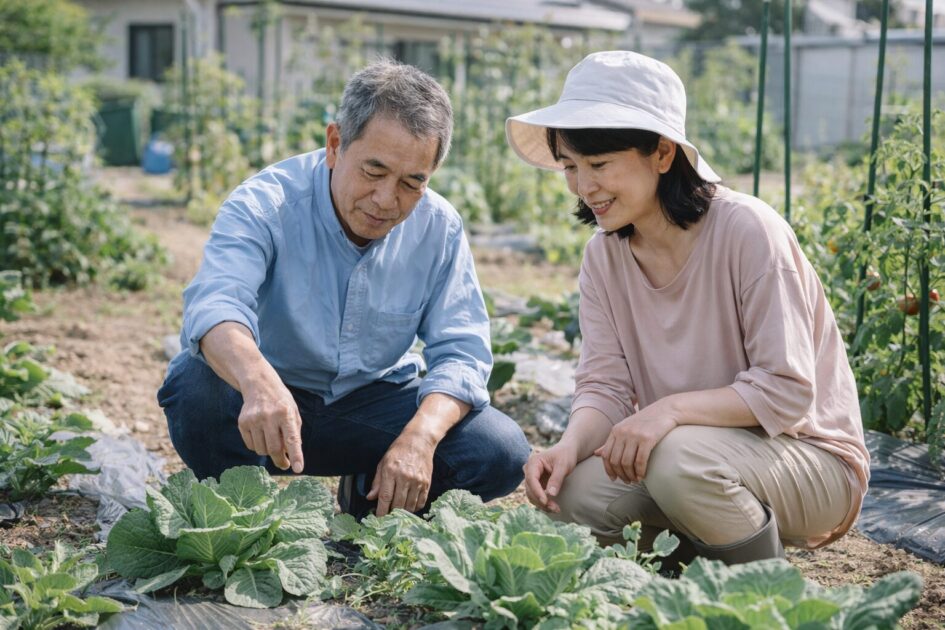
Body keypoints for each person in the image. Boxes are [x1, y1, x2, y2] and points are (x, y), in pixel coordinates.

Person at [507, 51, 869, 565]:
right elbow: (605, 386)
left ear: (661, 153)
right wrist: (568, 448)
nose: (584, 188)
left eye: (599, 164)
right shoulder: (604, 257)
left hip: (808, 457)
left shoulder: (748, 231)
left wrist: (667, 411)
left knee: (678, 461)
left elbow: (786, 390)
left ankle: (763, 588)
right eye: (570, 167)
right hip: (687, 456)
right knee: (570, 496)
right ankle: (699, 559)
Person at [159, 59, 529, 519]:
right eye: (374, 171)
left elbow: (463, 353)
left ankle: (371, 505)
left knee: (498, 449)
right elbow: (216, 305)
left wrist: (419, 438)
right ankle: (239, 512)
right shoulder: (266, 204)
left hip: (372, 404)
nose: (386, 199)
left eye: (412, 182)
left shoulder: (439, 228)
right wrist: (257, 382)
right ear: (335, 144)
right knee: (196, 388)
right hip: (266, 402)